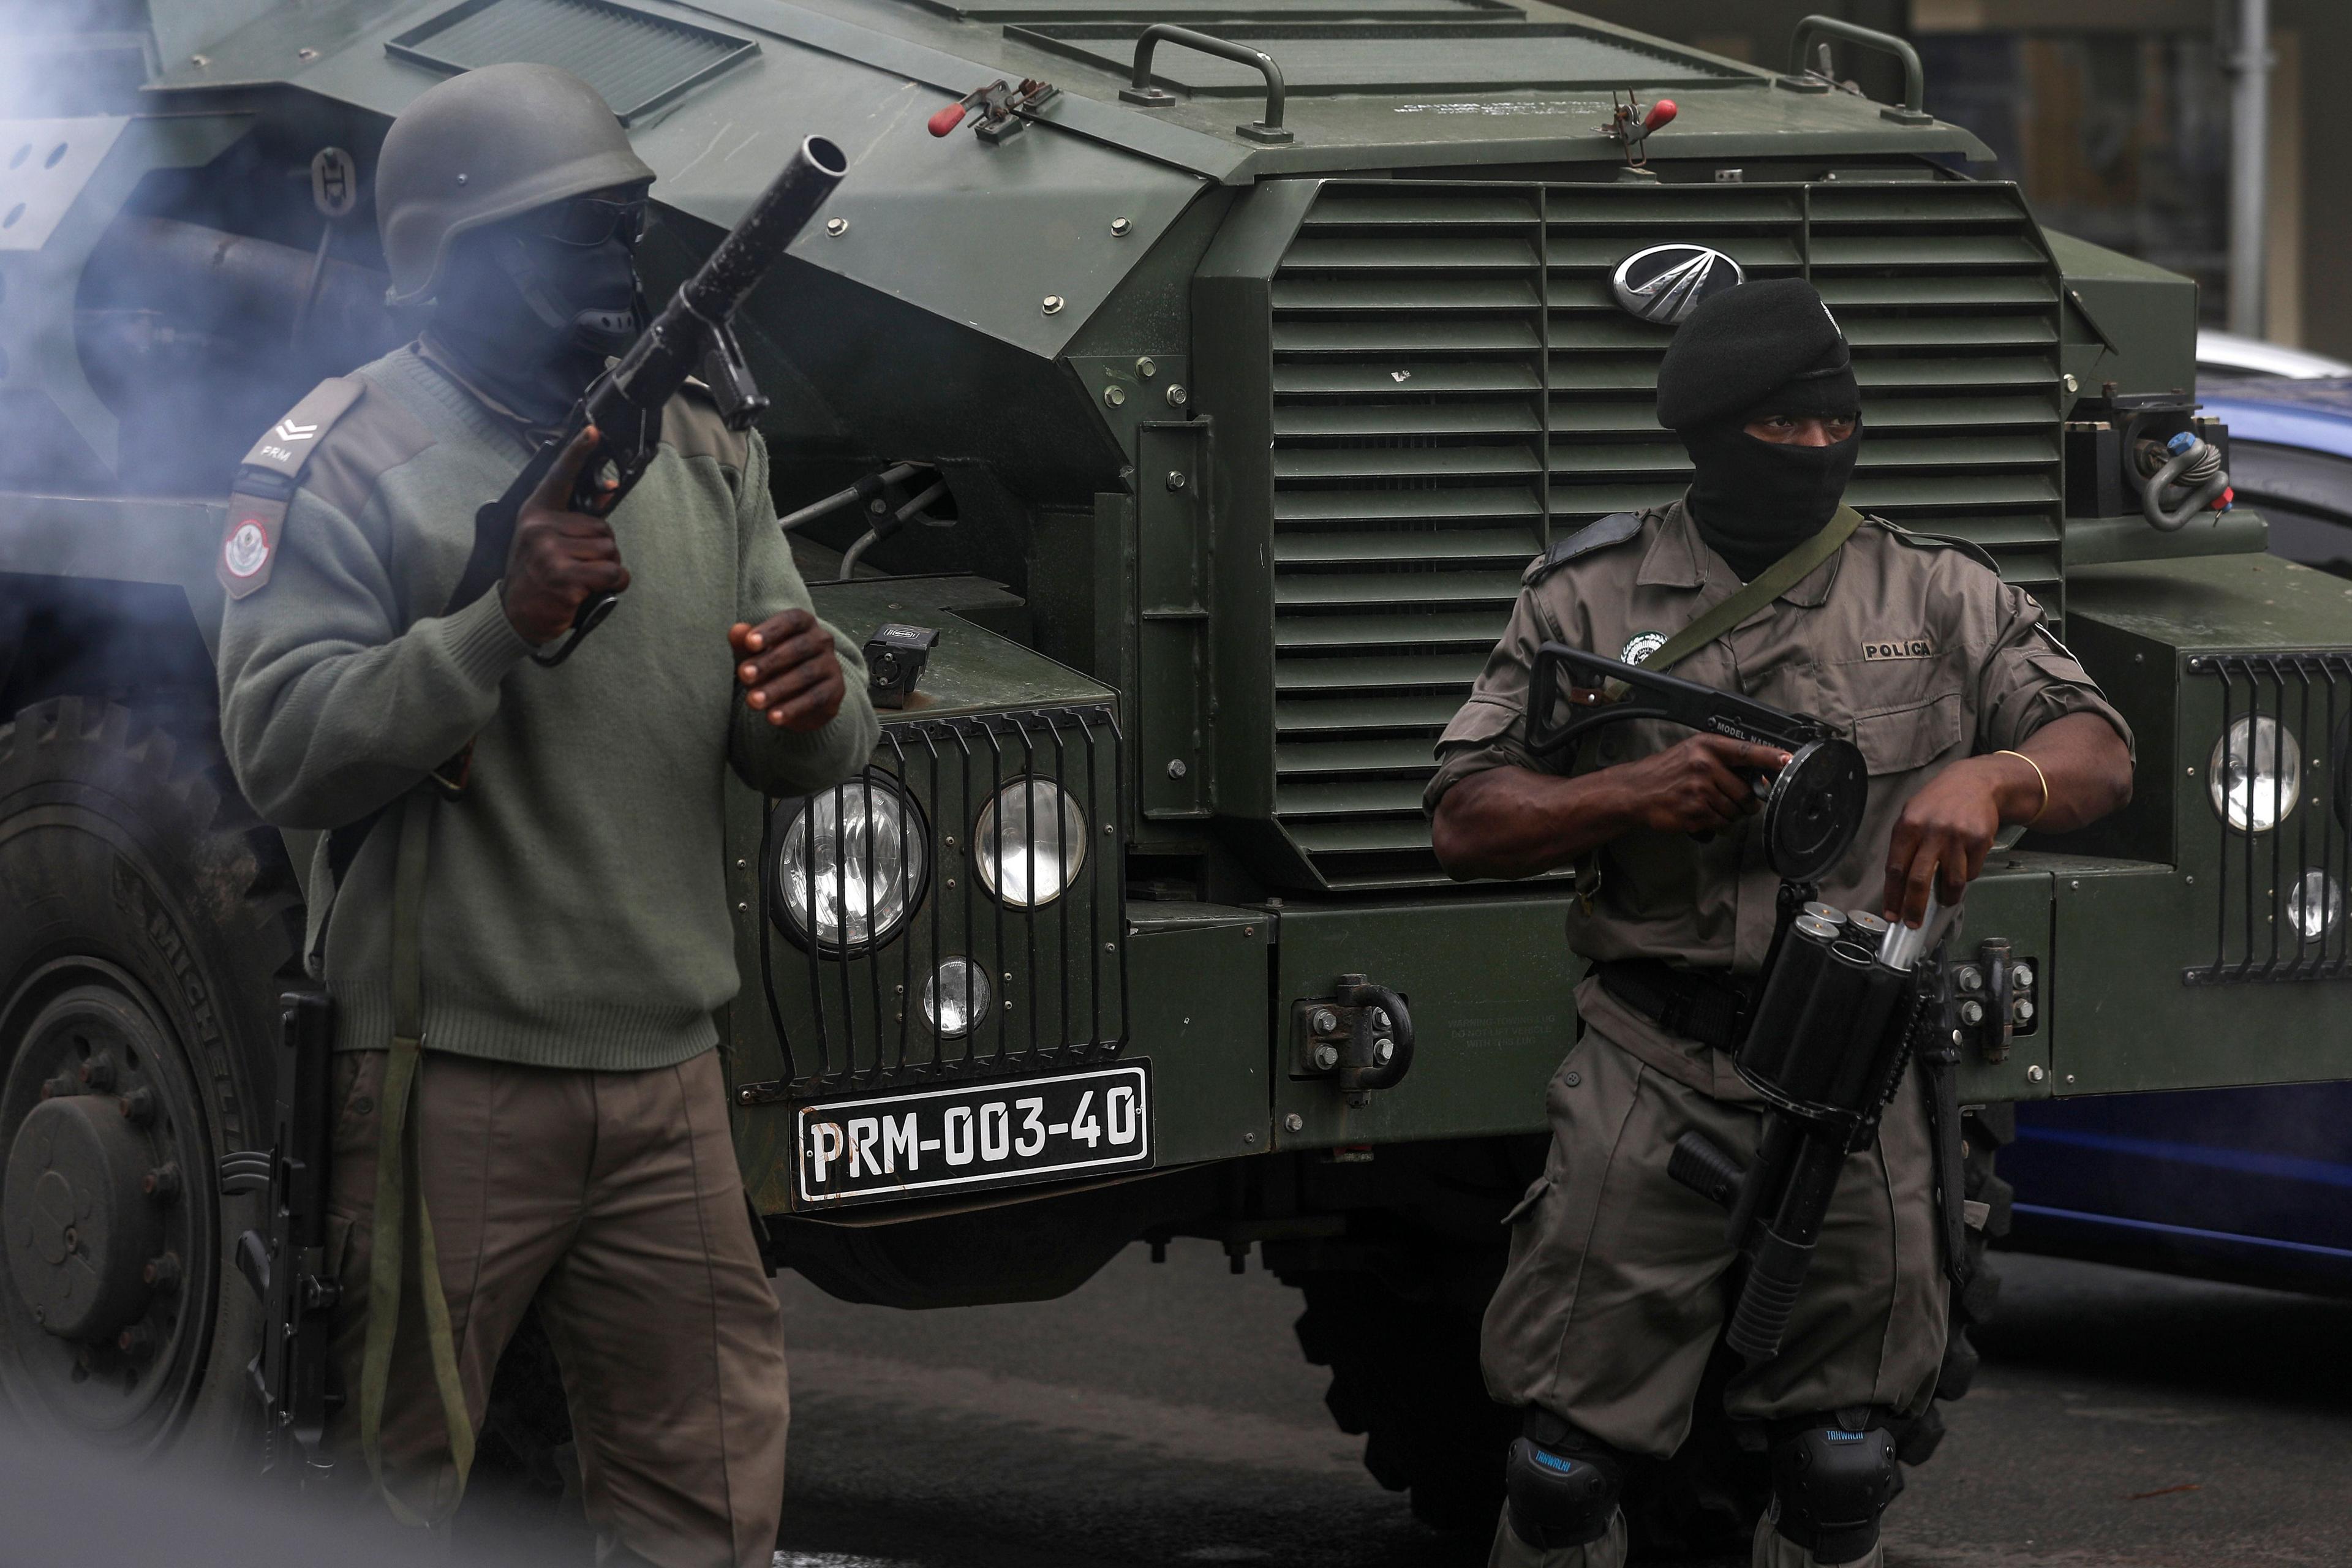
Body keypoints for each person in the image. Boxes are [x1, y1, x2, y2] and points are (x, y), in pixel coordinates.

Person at [214, 62, 880, 1566]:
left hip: (669, 1072)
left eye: (629, 231)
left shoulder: (704, 444)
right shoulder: (344, 459)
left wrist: (820, 700)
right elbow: (281, 750)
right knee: (379, 1489)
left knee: (708, 1503)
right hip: (452, 1068)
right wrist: (491, 624)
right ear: (453, 262)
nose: (619, 271)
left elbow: (808, 739)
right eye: (573, 237)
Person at [1425, 278, 2134, 1568]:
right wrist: (1623, 791)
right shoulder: (1587, 596)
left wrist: (1993, 776)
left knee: (1843, 1463)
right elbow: (1467, 818)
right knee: (1563, 1470)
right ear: (1706, 433)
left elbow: (2097, 750)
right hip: (1657, 1066)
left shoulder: (1936, 594)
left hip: (1855, 1086)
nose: (1814, 455)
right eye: (1781, 432)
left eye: (1835, 429)